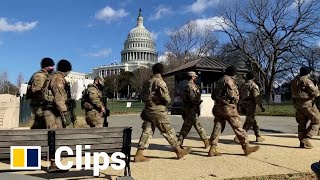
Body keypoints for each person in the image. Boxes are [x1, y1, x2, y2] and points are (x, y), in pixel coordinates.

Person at [134, 63, 191, 162]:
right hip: (158, 110)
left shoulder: (148, 82)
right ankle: (178, 150)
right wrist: (166, 102)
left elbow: (142, 96)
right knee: (168, 130)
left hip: (148, 110)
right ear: (161, 71)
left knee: (147, 130)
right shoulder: (160, 82)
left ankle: (139, 154)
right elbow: (167, 98)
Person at [208, 65, 260, 157]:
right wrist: (236, 99)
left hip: (218, 107)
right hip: (228, 107)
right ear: (233, 73)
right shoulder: (229, 80)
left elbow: (213, 95)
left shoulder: (220, 80)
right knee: (238, 127)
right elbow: (232, 94)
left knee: (218, 126)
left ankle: (212, 148)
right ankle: (246, 147)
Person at [43, 59, 72, 171]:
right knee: (55, 136)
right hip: (53, 112)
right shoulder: (58, 78)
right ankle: (54, 164)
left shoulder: (53, 76)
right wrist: (65, 114)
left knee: (54, 136)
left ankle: (55, 162)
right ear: (66, 70)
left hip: (51, 110)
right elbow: (59, 98)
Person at [178, 71, 210, 149]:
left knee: (186, 126)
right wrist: (198, 102)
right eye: (195, 76)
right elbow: (193, 98)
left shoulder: (186, 86)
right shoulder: (190, 86)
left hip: (189, 109)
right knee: (198, 126)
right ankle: (206, 142)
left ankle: (179, 142)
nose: (196, 77)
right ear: (192, 77)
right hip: (191, 109)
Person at [291, 67, 320, 148]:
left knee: (302, 123)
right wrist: (317, 87)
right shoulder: (307, 81)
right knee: (317, 121)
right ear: (307, 73)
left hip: (298, 105)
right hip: (308, 104)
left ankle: (302, 143)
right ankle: (306, 138)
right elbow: (316, 93)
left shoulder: (294, 81)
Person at [235, 71, 266, 142]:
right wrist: (261, 106)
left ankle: (258, 136)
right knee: (249, 122)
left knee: (254, 120)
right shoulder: (253, 85)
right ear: (253, 78)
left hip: (243, 104)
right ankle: (240, 136)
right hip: (251, 105)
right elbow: (256, 97)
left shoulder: (243, 85)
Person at [26, 57, 55, 129]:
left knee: (40, 125)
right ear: (46, 67)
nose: (53, 68)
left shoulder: (45, 75)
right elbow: (37, 90)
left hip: (42, 105)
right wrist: (45, 100)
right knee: (49, 125)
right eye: (51, 66)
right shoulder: (39, 76)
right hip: (39, 105)